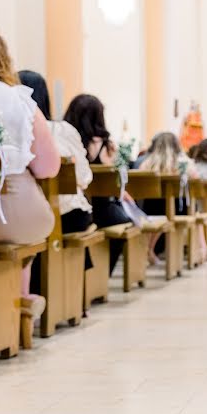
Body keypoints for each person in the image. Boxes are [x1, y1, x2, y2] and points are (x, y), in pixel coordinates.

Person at [0, 32, 60, 321]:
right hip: (18, 211)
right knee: (22, 232)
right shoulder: (20, 101)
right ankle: (20, 302)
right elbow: (48, 168)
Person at [63, 93, 133, 277]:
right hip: (102, 210)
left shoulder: (66, 139)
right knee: (126, 223)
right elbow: (116, 181)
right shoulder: (107, 147)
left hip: (72, 207)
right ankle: (103, 275)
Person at [18, 71, 94, 236]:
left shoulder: (12, 132)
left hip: (24, 214)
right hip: (69, 214)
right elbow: (83, 177)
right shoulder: (64, 130)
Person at [138, 132, 201, 264]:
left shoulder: (147, 163)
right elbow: (196, 180)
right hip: (178, 209)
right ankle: (150, 249)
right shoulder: (183, 163)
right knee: (178, 207)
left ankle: (148, 249)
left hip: (150, 209)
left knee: (158, 208)